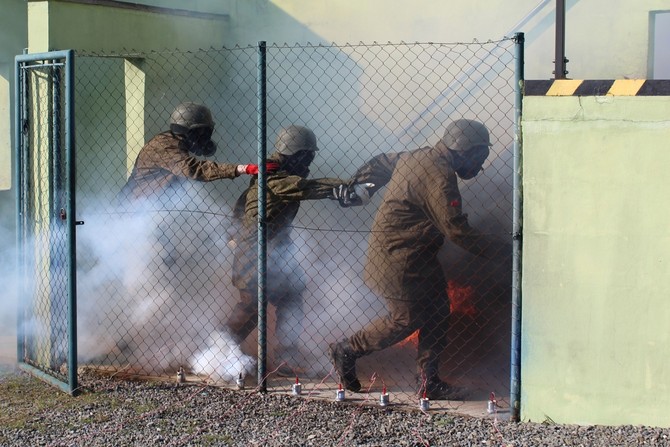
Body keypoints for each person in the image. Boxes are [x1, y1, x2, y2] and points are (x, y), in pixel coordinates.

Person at [328, 119, 511, 400]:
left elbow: (383, 161)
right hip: (399, 256)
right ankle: (348, 349)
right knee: (406, 318)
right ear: (466, 150)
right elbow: (456, 230)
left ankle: (429, 381)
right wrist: (500, 251)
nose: (480, 164)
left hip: (416, 254)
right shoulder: (440, 177)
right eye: (480, 157)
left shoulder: (418, 156)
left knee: (438, 311)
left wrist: (361, 187)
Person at [227, 125, 373, 377]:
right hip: (254, 252)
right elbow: (307, 187)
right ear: (296, 154)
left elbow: (241, 207)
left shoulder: (270, 171)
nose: (310, 161)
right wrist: (344, 188)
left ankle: (286, 356)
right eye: (308, 155)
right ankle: (219, 351)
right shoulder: (275, 177)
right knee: (251, 307)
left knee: (291, 298)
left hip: (276, 251)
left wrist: (233, 233)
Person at [118, 102, 277, 203]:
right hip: (134, 211)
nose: (205, 138)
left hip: (148, 209)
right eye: (203, 132)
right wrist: (243, 168)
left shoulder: (174, 143)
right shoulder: (164, 147)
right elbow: (193, 170)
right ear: (193, 131)